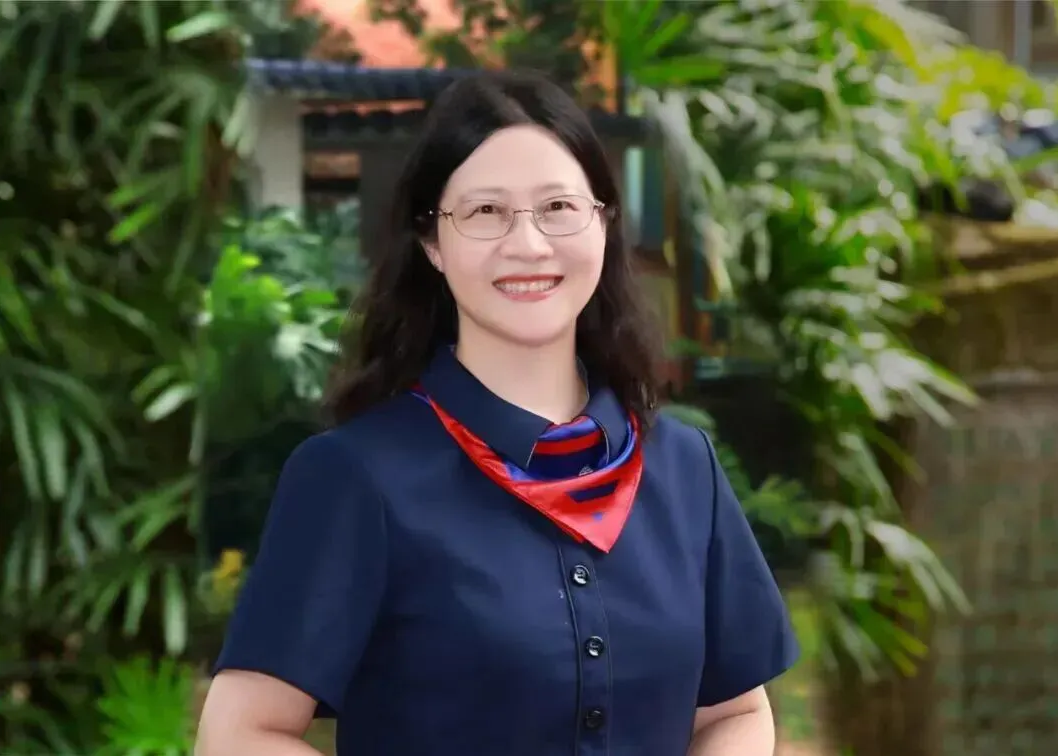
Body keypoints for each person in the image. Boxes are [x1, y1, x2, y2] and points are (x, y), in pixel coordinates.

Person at [195, 69, 798, 756]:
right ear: (432, 242)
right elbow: (240, 734)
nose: (528, 245)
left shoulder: (685, 468)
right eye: (485, 212)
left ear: (603, 224)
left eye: (558, 207)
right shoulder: (354, 477)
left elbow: (734, 714)